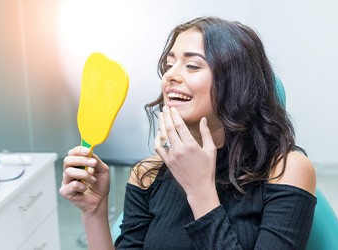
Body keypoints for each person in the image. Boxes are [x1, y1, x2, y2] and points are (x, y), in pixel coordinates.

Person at [60, 16, 316, 249]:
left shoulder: (285, 170)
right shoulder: (146, 174)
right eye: (169, 65)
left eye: (192, 66)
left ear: (237, 82)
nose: (170, 75)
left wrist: (199, 191)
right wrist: (94, 213)